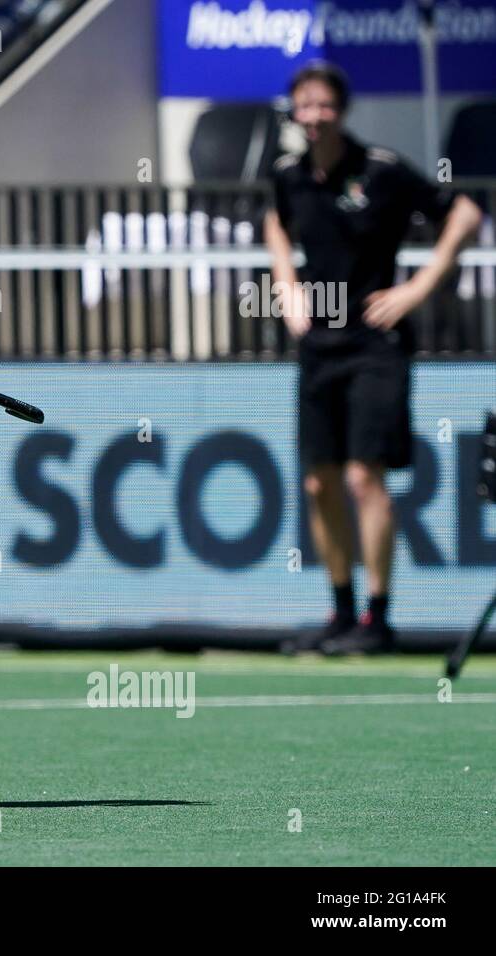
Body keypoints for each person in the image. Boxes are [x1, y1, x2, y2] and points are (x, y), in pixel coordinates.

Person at [265, 61, 482, 655]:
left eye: (323, 105)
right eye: (303, 106)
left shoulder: (380, 170)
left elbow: (464, 214)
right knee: (317, 484)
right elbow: (275, 225)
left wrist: (418, 287)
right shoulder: (288, 174)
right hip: (319, 348)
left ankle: (376, 618)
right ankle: (338, 612)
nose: (313, 117)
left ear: (341, 109)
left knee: (365, 478)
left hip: (374, 347)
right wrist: (286, 287)